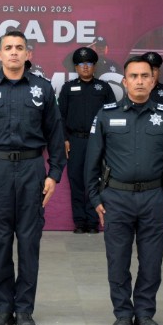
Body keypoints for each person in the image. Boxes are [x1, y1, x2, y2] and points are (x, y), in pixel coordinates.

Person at [0, 29, 66, 325]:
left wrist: (54, 174)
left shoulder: (43, 89)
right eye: (7, 47)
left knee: (29, 243)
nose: (13, 53)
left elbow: (56, 135)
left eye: (19, 48)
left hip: (32, 169)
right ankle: (1, 309)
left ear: (28, 54)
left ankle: (24, 310)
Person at [86, 56, 163, 325]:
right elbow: (91, 162)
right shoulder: (106, 115)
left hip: (155, 198)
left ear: (153, 81)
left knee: (151, 261)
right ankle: (122, 313)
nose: (140, 81)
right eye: (134, 76)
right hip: (116, 198)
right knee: (117, 261)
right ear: (124, 81)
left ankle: (144, 313)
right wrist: (96, 199)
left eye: (145, 76)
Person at [58, 46, 116, 233]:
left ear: (94, 66)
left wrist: (108, 141)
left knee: (96, 180)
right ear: (76, 67)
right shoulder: (68, 88)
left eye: (89, 63)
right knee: (76, 181)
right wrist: (65, 139)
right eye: (81, 64)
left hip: (97, 142)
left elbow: (112, 116)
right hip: (75, 141)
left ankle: (93, 221)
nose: (85, 67)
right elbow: (60, 117)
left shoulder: (104, 88)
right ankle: (80, 222)